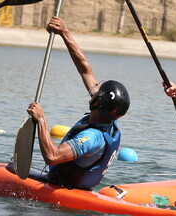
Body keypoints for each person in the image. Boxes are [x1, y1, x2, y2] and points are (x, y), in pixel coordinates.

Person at [26, 17, 129, 190]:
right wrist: (64, 33)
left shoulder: (91, 138)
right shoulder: (108, 115)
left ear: (98, 102)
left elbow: (52, 156)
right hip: (80, 186)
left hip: (63, 188)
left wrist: (41, 119)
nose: (94, 89)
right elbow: (85, 69)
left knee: (10, 168)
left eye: (98, 91)